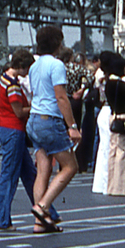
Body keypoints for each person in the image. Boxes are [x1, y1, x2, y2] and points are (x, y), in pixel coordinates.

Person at [0, 48, 57, 232]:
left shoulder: (5, 79)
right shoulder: (12, 85)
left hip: (8, 129)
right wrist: (36, 105)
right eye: (26, 68)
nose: (28, 72)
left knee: (30, 175)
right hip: (14, 130)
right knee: (10, 175)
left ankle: (48, 211)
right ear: (20, 66)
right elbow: (19, 111)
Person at [27, 25, 81, 229]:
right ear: (57, 43)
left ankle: (40, 222)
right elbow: (61, 97)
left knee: (43, 170)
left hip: (34, 119)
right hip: (50, 120)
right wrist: (72, 126)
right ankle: (42, 207)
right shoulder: (57, 65)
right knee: (70, 166)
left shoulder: (34, 65)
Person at [95, 52, 125, 197]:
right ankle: (121, 186)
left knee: (111, 151)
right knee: (123, 153)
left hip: (112, 115)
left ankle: (110, 185)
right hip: (123, 116)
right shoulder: (121, 84)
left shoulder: (108, 84)